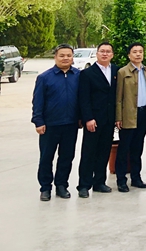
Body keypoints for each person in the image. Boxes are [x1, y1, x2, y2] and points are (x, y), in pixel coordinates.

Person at [32, 44, 80, 201]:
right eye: (62, 55)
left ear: (72, 57)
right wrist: (38, 121)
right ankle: (45, 188)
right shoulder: (45, 77)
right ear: (55, 57)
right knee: (46, 157)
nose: (66, 58)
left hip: (71, 124)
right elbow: (38, 102)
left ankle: (61, 185)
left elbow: (82, 99)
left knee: (67, 157)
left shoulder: (78, 76)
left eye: (69, 55)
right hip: (50, 125)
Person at [77, 42, 118, 197]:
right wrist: (88, 118)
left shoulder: (116, 71)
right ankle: (83, 185)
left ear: (112, 54)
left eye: (108, 51)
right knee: (89, 152)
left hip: (109, 119)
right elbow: (84, 98)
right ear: (97, 53)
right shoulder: (87, 73)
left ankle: (99, 182)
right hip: (93, 119)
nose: (105, 54)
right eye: (102, 51)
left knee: (104, 151)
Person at [115, 42, 146, 192]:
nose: (138, 54)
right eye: (135, 52)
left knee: (138, 148)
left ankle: (136, 178)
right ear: (129, 55)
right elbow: (118, 97)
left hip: (143, 114)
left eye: (140, 51)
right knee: (124, 148)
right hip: (128, 115)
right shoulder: (122, 72)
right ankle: (121, 180)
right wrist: (118, 117)